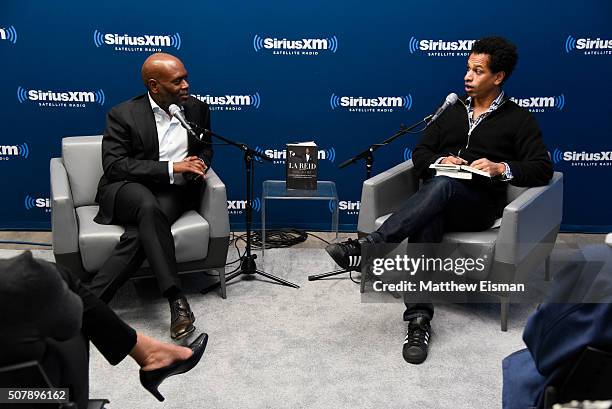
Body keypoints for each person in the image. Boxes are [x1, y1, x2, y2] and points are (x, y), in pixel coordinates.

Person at [325, 36, 553, 364]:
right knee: (430, 214)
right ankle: (418, 321)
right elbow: (420, 154)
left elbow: (542, 169)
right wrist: (440, 161)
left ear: (498, 77)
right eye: (467, 68)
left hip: (478, 206)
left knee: (442, 188)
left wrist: (499, 167)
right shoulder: (450, 110)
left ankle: (371, 246)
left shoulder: (519, 119)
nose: (468, 76)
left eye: (478, 70)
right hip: (436, 200)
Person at [89, 53, 213, 340]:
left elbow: (206, 148)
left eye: (186, 77)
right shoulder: (123, 114)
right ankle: (176, 300)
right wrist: (173, 166)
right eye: (177, 80)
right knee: (146, 204)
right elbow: (116, 165)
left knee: (140, 232)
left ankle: (85, 305)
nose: (186, 85)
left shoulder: (197, 109)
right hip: (125, 187)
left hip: (173, 191)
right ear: (155, 86)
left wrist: (199, 164)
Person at [0, 251, 208, 408]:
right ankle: (150, 354)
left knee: (58, 279)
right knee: (50, 283)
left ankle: (149, 353)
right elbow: (69, 322)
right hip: (10, 394)